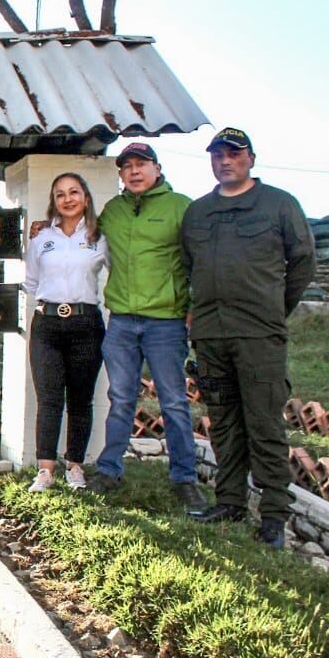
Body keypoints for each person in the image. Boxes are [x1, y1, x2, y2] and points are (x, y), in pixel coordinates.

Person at [181, 127, 315, 547]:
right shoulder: (198, 213)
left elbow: (303, 263)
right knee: (223, 424)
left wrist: (274, 310)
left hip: (259, 336)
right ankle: (231, 501)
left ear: (251, 159)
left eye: (234, 154)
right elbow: (190, 266)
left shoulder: (279, 205)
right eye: (218, 155)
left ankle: (274, 515)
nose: (225, 161)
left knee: (264, 425)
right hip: (211, 335)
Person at [86, 143, 208, 512]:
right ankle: (109, 471)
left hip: (166, 322)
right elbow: (83, 235)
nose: (134, 171)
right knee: (120, 399)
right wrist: (46, 226)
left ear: (157, 168)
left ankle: (184, 479)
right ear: (120, 174)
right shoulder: (113, 211)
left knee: (173, 402)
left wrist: (193, 307)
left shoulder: (181, 207)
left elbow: (199, 260)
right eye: (127, 166)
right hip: (122, 320)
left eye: (142, 164)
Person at [23, 173, 109, 492]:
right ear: (53, 201)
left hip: (86, 325)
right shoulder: (41, 237)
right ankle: (45, 469)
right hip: (47, 325)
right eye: (60, 194)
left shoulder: (100, 237)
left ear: (85, 197)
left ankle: (74, 465)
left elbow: (116, 271)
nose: (67, 199)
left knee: (80, 399)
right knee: (48, 398)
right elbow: (31, 281)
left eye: (74, 192)